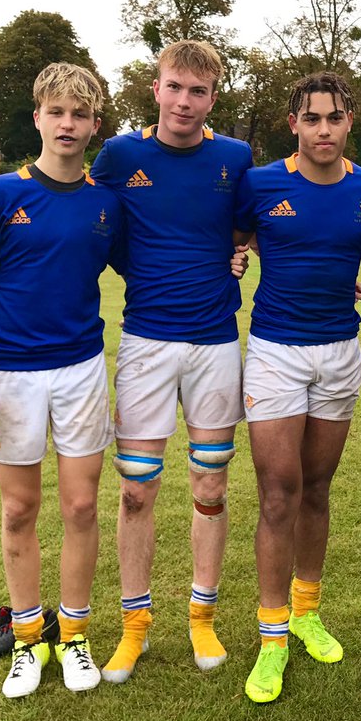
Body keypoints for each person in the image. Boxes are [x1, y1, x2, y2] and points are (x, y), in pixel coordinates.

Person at [232, 72, 361, 703]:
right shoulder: (259, 182)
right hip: (275, 355)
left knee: (316, 488)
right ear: (294, 123)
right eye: (311, 118)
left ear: (348, 122)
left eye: (334, 118)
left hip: (340, 354)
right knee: (277, 492)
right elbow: (225, 242)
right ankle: (272, 635)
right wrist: (236, 254)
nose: (323, 130)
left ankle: (308, 610)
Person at [0, 63, 119, 698]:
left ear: (94, 124)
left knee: (79, 505)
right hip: (13, 371)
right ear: (38, 117)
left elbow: (153, 260)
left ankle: (73, 636)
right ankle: (25, 639)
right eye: (57, 112)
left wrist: (238, 252)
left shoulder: (106, 202)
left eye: (80, 114)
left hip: (81, 370)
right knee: (19, 508)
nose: (68, 123)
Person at [88, 40, 254, 684]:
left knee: (210, 485)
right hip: (146, 343)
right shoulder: (121, 155)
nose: (185, 102)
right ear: (154, 88)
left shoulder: (234, 157)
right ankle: (134, 627)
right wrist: (3, 273)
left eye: (199, 91)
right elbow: (81, 218)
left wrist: (245, 253)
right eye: (175, 87)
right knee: (136, 488)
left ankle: (201, 617)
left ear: (213, 98)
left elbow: (253, 224)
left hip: (215, 343)